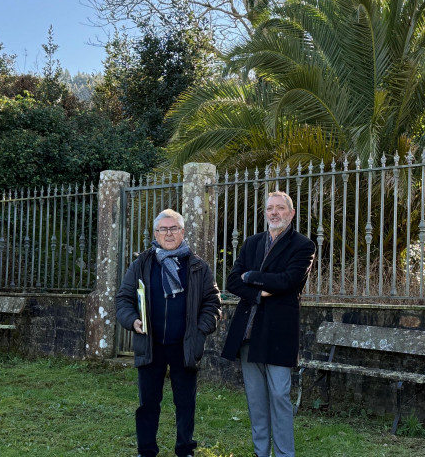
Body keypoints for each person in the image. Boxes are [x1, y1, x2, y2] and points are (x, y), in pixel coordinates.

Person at [116, 209, 221, 457]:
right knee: (148, 404)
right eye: (163, 229)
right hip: (150, 345)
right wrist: (132, 321)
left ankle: (185, 449)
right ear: (155, 234)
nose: (169, 233)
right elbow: (123, 299)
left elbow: (212, 302)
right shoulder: (142, 263)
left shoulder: (197, 266)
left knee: (185, 403)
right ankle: (146, 450)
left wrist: (200, 330)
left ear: (183, 232)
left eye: (174, 228)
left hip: (184, 346)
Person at [221, 191, 316, 457]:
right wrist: (258, 292)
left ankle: (285, 454)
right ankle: (260, 452)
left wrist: (251, 276)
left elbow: (288, 281)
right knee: (256, 401)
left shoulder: (303, 245)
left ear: (291, 213)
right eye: (270, 209)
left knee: (279, 397)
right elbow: (232, 282)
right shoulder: (251, 243)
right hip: (247, 333)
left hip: (278, 333)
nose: (274, 213)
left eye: (280, 208)